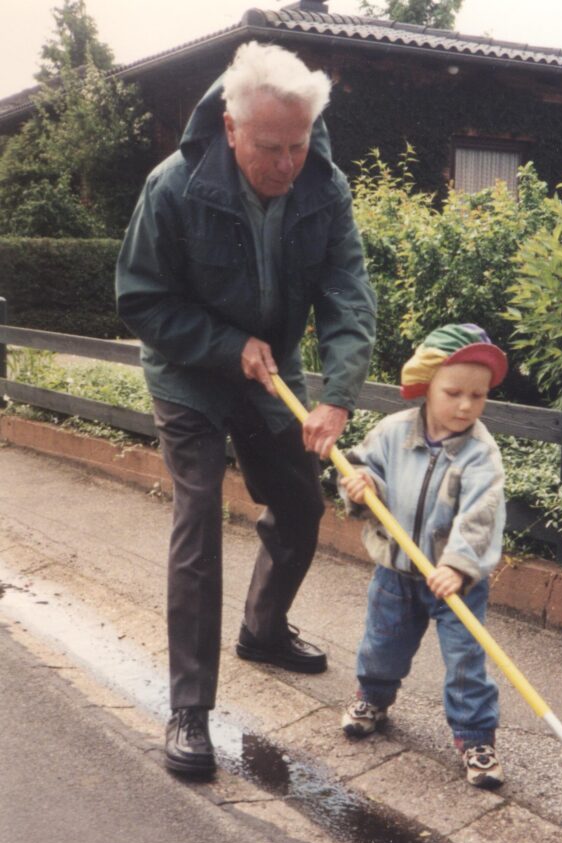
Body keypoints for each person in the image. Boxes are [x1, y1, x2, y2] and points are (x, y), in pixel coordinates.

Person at [115, 42, 376, 777]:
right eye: (270, 147)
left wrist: (338, 397)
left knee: (300, 504)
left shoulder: (326, 188)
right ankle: (190, 708)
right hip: (189, 372)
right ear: (231, 128)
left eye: (298, 145)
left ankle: (263, 630)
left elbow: (348, 294)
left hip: (271, 374)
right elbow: (141, 300)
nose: (287, 163)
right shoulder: (173, 186)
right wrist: (228, 346)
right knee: (198, 517)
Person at [338, 324, 508, 789]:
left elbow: (480, 516)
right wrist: (362, 485)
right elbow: (362, 467)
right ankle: (373, 698)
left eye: (478, 395)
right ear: (427, 386)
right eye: (454, 393)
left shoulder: (480, 454)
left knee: (465, 660)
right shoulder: (392, 432)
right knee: (382, 644)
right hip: (395, 571)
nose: (466, 406)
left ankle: (475, 736)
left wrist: (457, 566)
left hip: (455, 581)